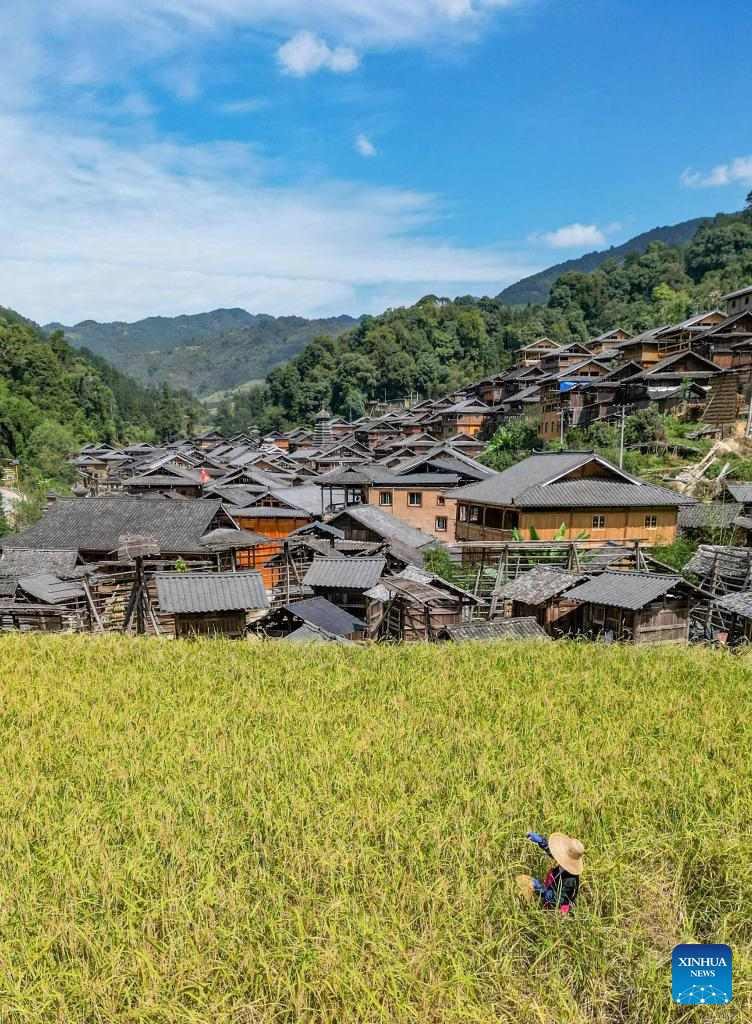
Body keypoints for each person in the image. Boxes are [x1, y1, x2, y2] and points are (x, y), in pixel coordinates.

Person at [523, 831, 584, 913]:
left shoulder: (570, 880)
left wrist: (540, 889)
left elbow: (557, 899)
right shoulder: (565, 864)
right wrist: (541, 841)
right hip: (549, 900)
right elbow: (554, 852)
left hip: (559, 912)